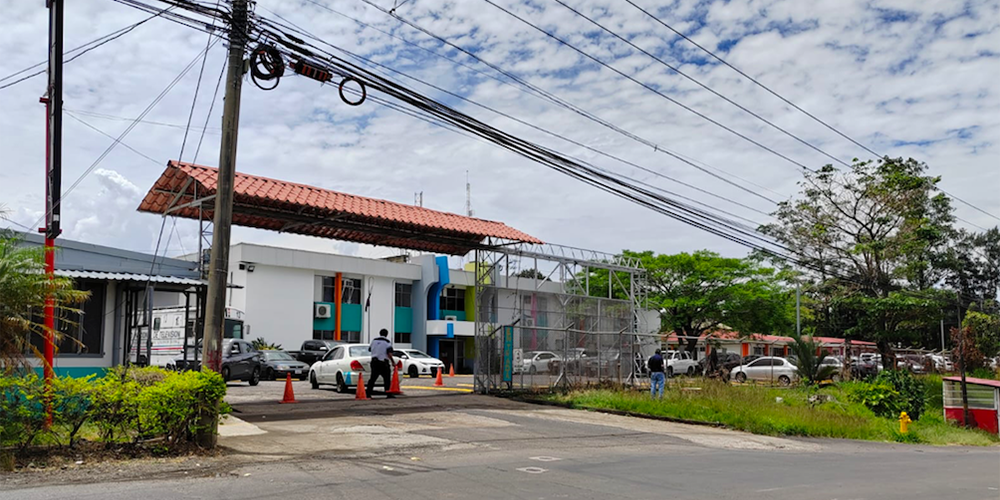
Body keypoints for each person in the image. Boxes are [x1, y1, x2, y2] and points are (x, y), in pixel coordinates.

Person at [367, 329, 395, 398]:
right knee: (387, 379)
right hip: (383, 363)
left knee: (372, 378)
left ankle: (368, 393)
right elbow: (389, 354)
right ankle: (388, 394)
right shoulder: (387, 342)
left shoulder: (374, 341)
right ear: (387, 334)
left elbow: (370, 349)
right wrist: (393, 362)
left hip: (374, 362)